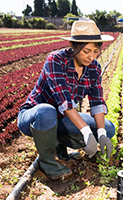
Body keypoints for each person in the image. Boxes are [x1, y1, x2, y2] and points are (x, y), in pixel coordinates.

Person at [17, 20, 115, 180]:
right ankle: (47, 163)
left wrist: (102, 134)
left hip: (62, 118)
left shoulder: (94, 68)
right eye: (86, 51)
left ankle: (58, 145)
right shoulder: (55, 60)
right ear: (73, 45)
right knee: (47, 110)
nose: (91, 56)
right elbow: (65, 102)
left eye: (95, 51)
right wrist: (86, 132)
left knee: (108, 128)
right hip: (35, 117)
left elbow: (97, 102)